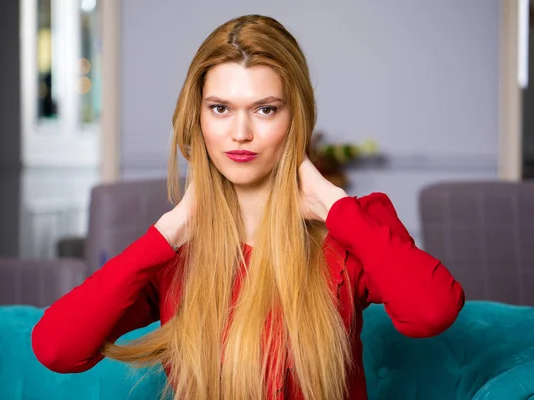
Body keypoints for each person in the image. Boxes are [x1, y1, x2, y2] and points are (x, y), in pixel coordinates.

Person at [31, 14, 465, 400]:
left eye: (265, 109)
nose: (241, 133)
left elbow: (433, 311)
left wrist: (333, 205)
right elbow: (56, 348)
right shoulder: (172, 254)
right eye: (220, 108)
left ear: (296, 117)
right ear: (197, 118)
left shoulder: (354, 226)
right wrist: (170, 230)